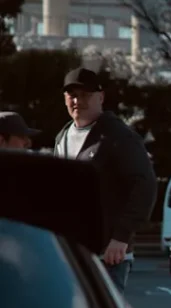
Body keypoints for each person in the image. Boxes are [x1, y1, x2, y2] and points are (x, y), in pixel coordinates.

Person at [54, 66, 157, 293]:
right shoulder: (62, 136)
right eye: (72, 95)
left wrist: (121, 236)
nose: (78, 101)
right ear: (64, 99)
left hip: (108, 255)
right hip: (72, 253)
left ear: (100, 97)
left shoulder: (118, 135)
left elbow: (145, 185)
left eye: (86, 95)